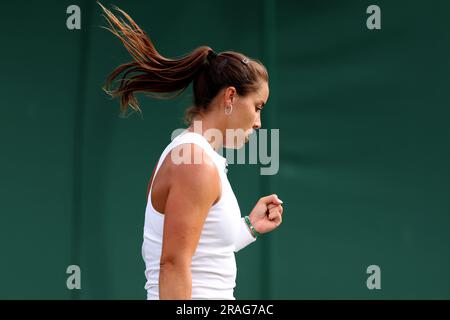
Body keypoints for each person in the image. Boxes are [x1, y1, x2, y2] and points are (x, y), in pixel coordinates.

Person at [99, 3, 284, 300]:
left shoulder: (198, 157)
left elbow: (204, 253)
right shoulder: (194, 163)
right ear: (231, 97)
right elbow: (173, 266)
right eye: (257, 107)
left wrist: (250, 227)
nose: (259, 122)